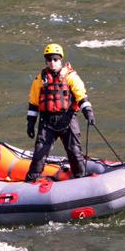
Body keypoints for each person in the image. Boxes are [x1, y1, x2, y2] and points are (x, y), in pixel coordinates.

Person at [25, 43, 95, 182]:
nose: (52, 63)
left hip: (67, 120)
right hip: (47, 122)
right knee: (40, 153)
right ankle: (32, 181)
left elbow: (81, 97)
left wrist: (88, 112)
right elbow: (33, 103)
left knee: (74, 151)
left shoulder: (71, 77)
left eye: (55, 59)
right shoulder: (39, 80)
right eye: (49, 60)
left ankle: (80, 178)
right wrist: (31, 124)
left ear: (60, 60)